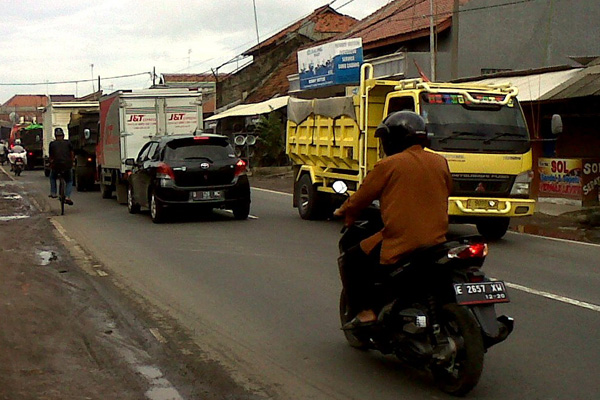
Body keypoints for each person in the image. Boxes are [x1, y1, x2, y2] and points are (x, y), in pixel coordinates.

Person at [333, 111, 453, 330]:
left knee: (352, 259)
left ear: (392, 139)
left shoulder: (388, 165)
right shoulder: (440, 162)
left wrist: (343, 210)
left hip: (402, 242)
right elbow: (447, 190)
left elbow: (360, 198)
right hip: (437, 242)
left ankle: (367, 312)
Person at [48, 127, 74, 205]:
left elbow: (51, 156)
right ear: (63, 135)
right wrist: (72, 162)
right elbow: (72, 154)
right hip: (67, 165)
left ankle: (53, 193)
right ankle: (67, 196)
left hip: (56, 166)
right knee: (69, 181)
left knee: (52, 177)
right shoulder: (68, 143)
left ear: (55, 136)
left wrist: (50, 162)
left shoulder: (52, 144)